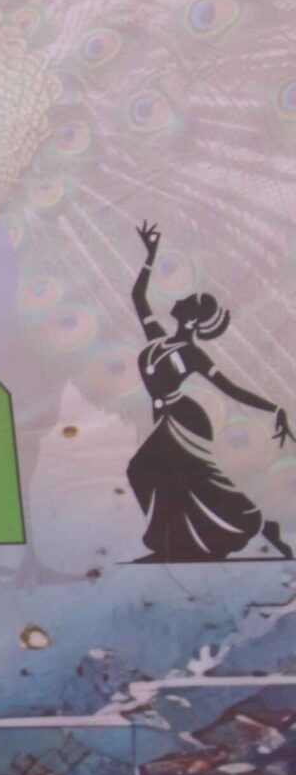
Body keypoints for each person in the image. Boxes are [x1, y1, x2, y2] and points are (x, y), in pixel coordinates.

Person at [124, 222, 294, 561]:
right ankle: (188, 541)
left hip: (184, 418)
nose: (182, 300)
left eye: (189, 302)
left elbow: (230, 388)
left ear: (191, 321)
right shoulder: (158, 339)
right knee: (179, 480)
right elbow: (138, 298)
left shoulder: (192, 354)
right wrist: (151, 254)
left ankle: (252, 524)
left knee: (147, 470)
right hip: (166, 416)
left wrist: (274, 408)